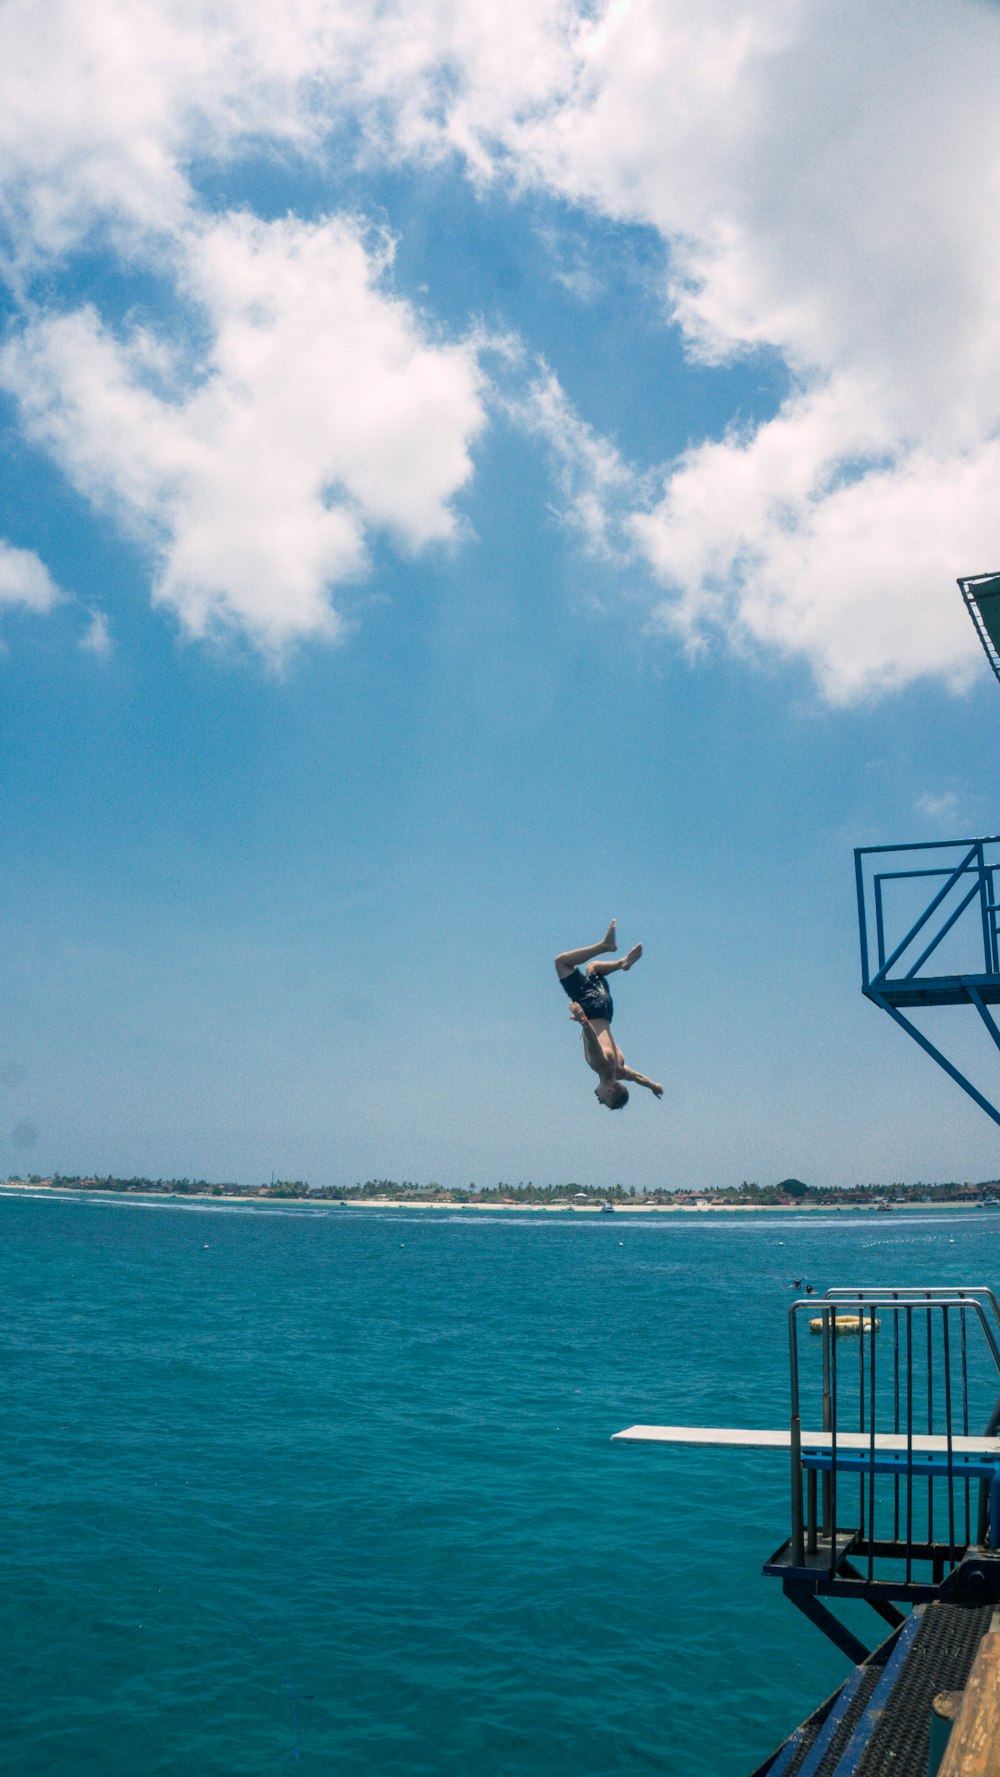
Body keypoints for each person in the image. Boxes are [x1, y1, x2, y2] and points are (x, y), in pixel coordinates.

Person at [554, 919, 663, 1108]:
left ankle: (622, 963)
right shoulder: (600, 1066)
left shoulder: (620, 1071)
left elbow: (637, 1077)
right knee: (562, 962)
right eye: (604, 1101)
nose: (599, 1101)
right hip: (591, 1007)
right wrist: (582, 1019)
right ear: (610, 1091)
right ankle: (605, 945)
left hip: (606, 1009)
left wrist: (653, 1085)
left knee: (593, 969)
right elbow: (593, 1042)